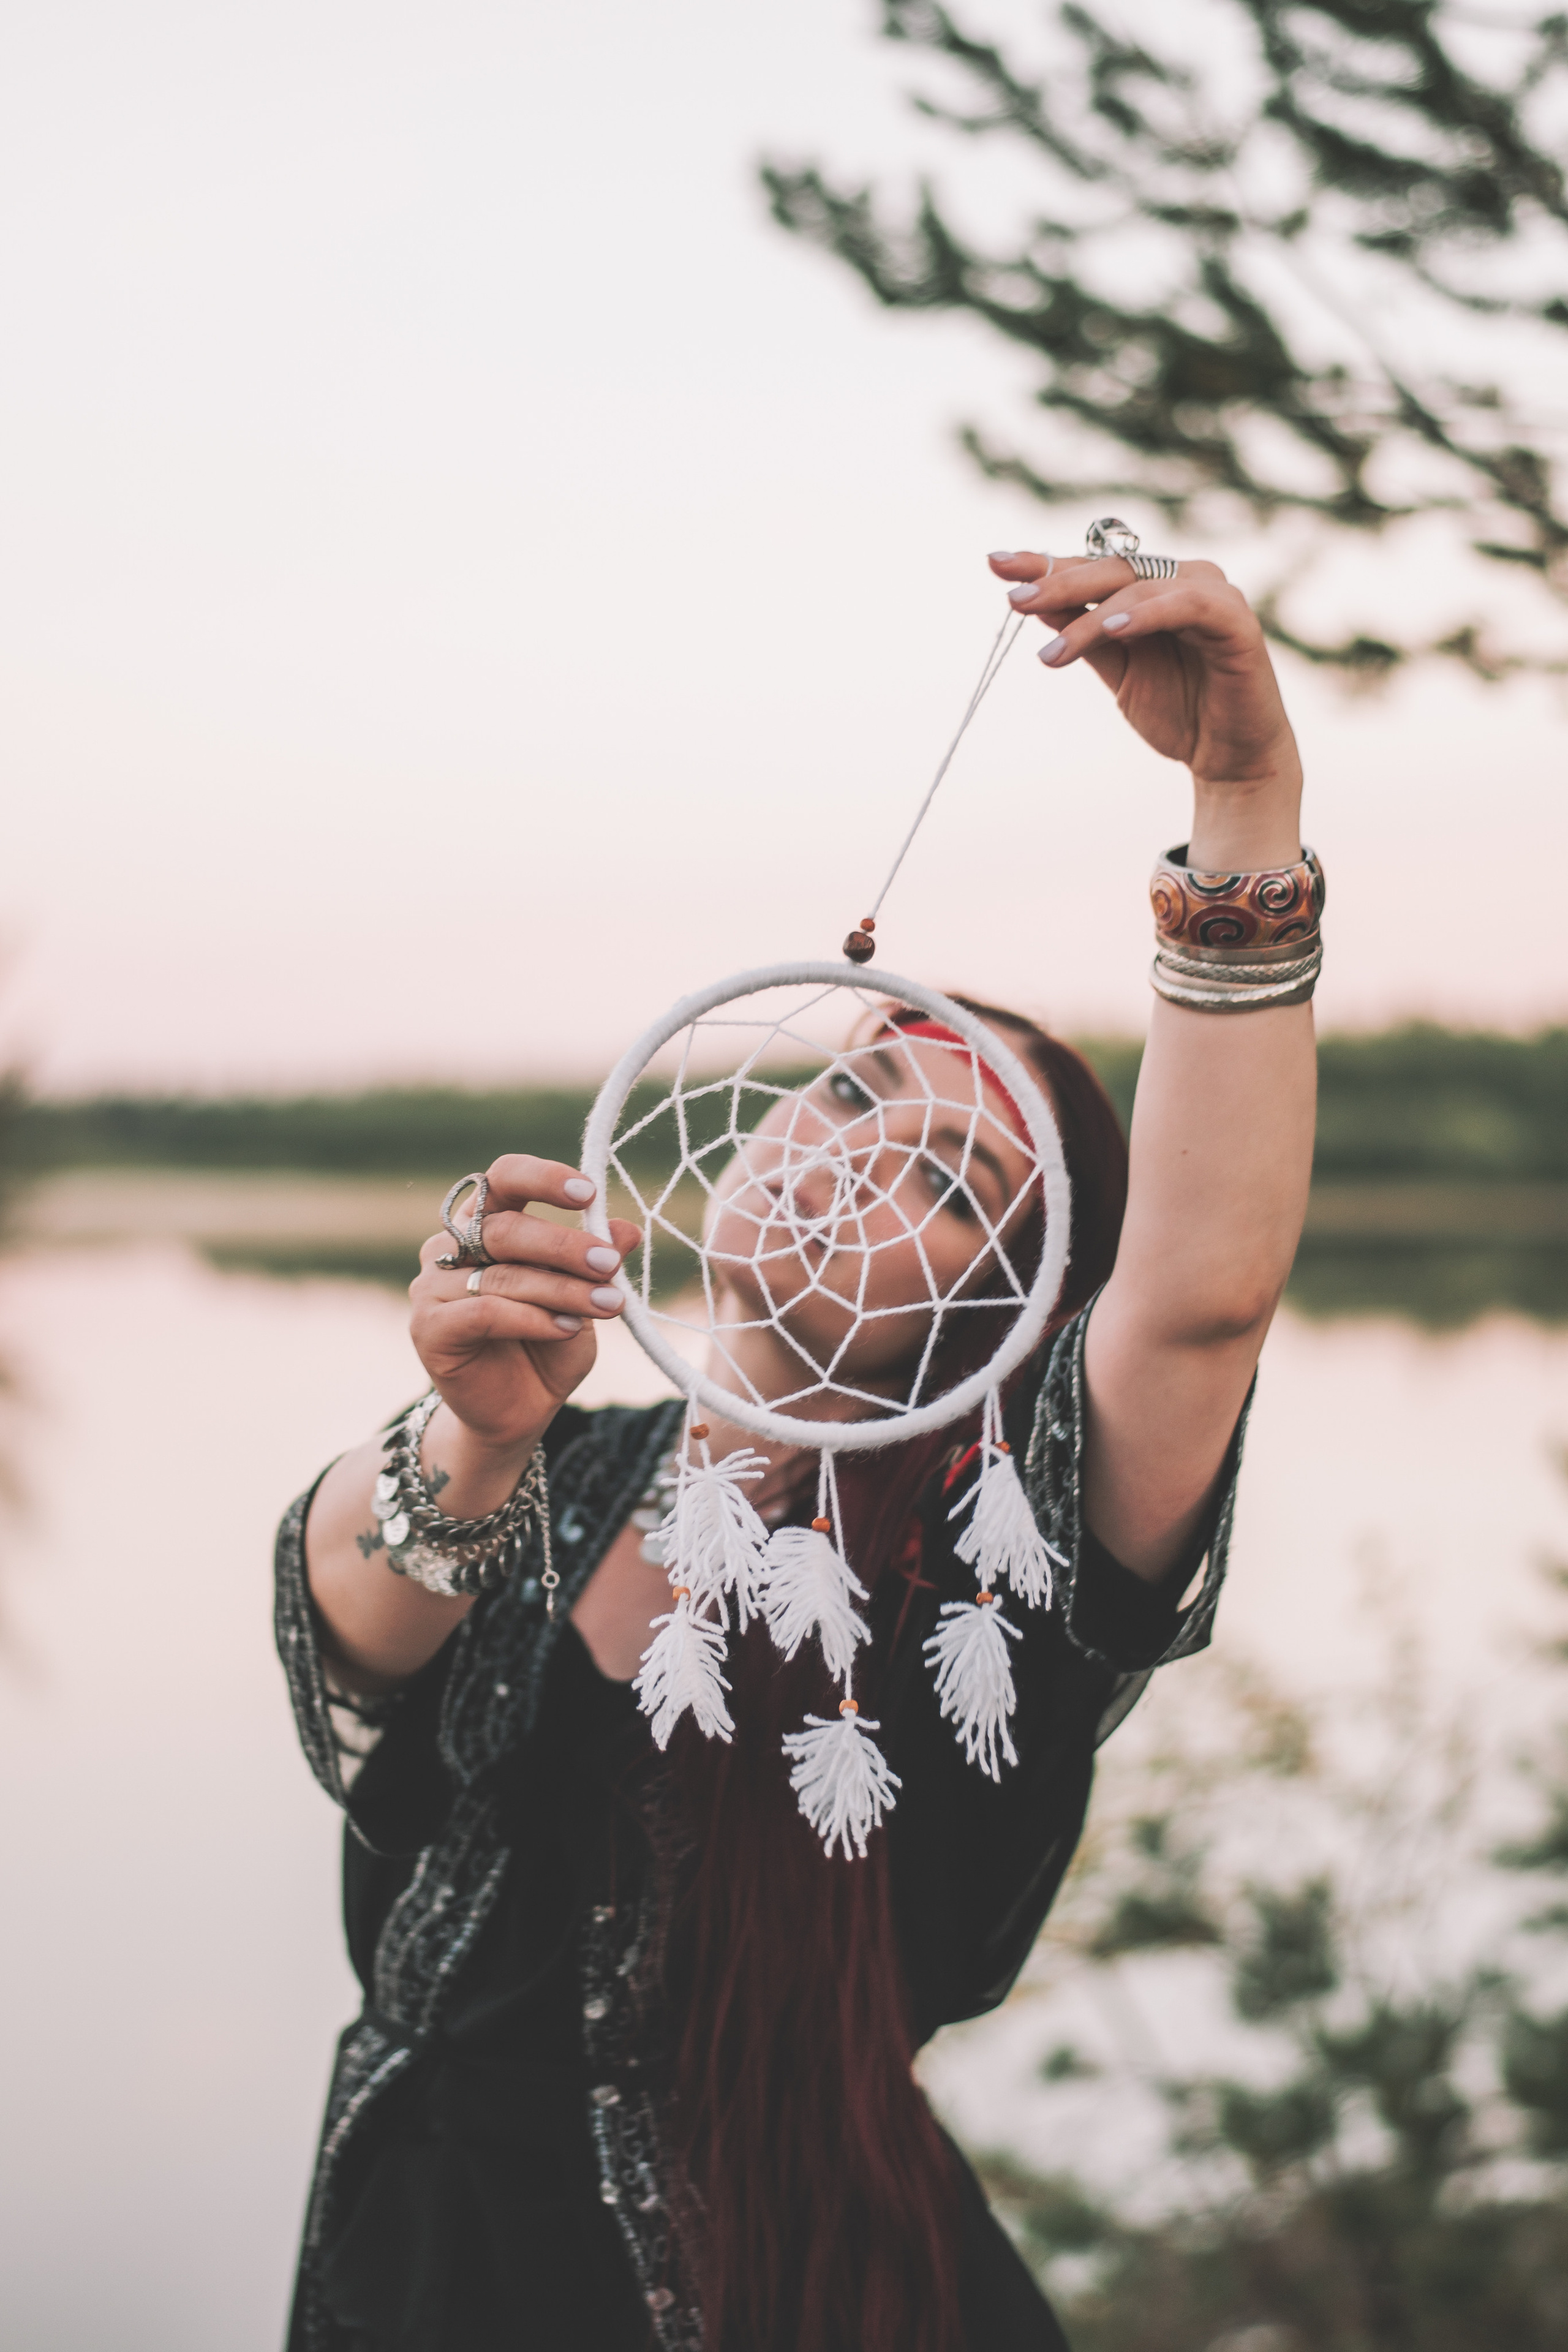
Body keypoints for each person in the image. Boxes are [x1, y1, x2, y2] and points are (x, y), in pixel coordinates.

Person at [276, 539, 1320, 2352]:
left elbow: (1204, 1300)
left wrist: (1245, 795)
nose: (841, 1157)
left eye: (941, 1177)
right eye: (848, 1090)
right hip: (402, 2273)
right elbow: (350, 1617)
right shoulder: (563, 1466)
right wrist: (466, 1429)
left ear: (1014, 1306)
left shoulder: (1000, 1561)